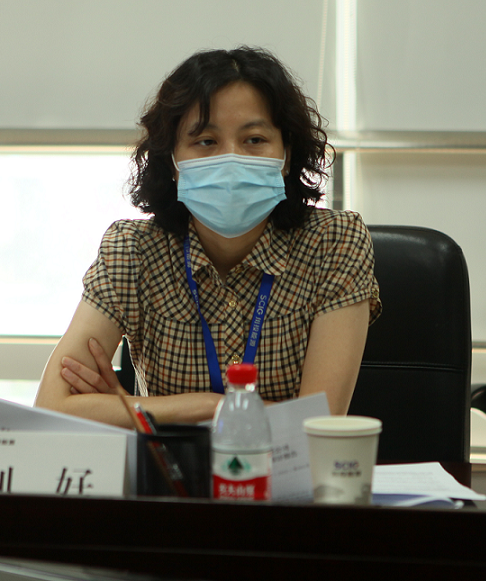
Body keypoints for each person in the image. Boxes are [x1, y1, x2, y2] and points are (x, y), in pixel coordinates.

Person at [34, 47, 380, 428]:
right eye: (206, 141)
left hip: (283, 469)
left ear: (286, 155)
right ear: (172, 162)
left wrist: (132, 408)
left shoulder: (335, 242)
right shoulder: (132, 250)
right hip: (168, 467)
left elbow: (317, 425)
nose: (231, 159)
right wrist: (207, 406)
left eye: (254, 140)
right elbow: (51, 407)